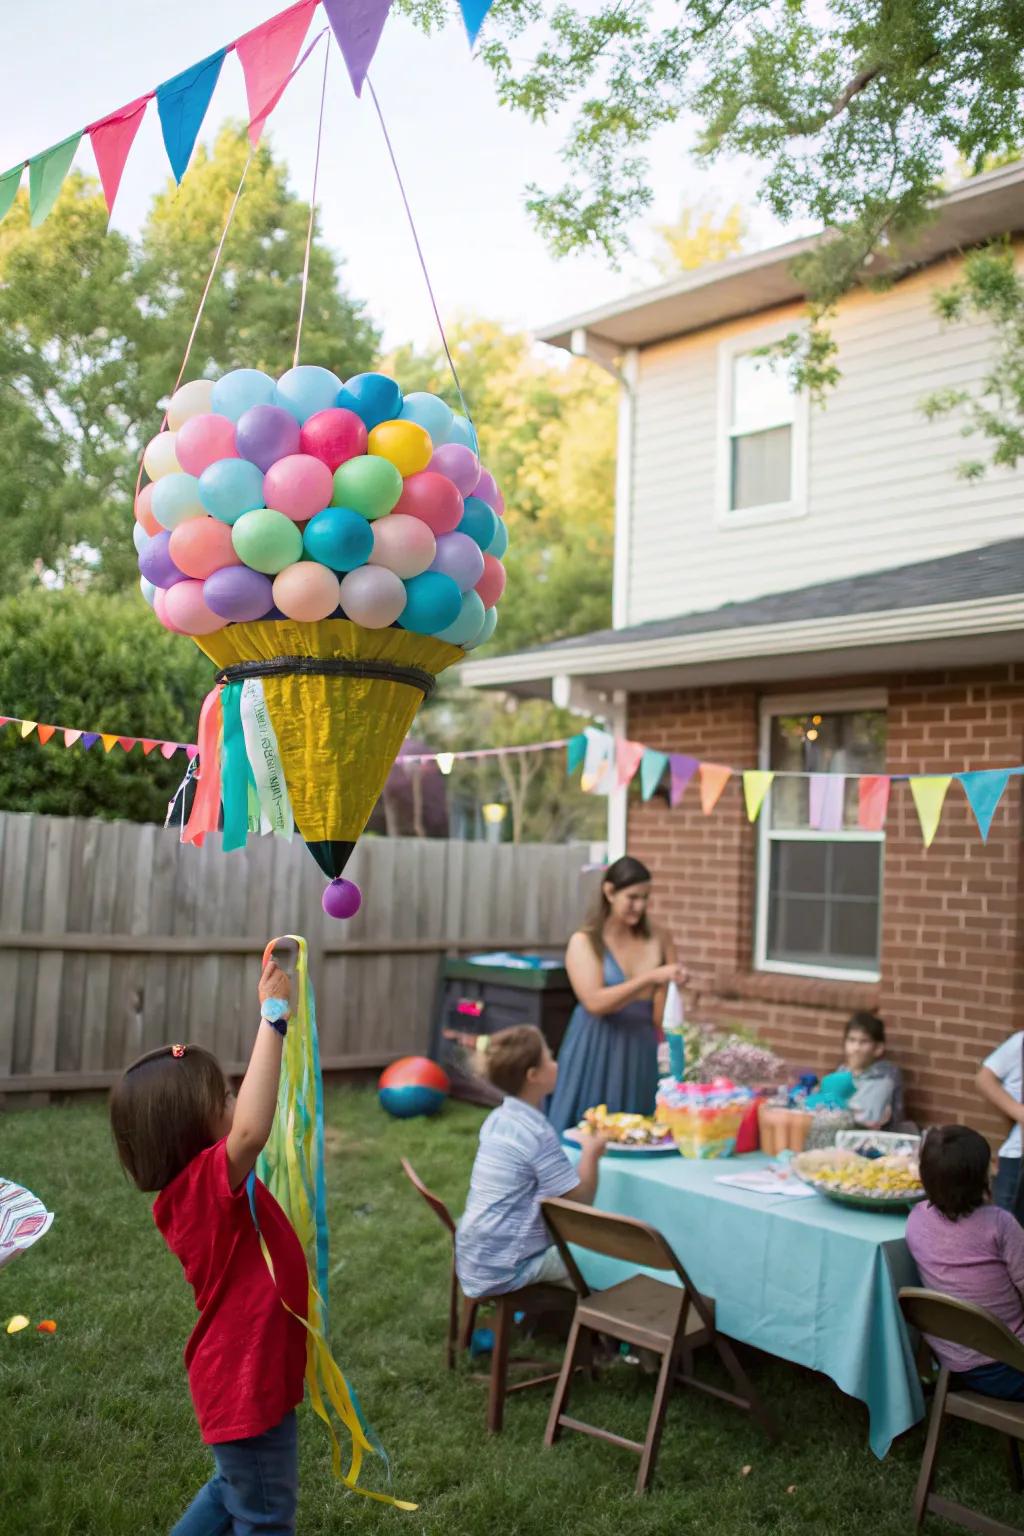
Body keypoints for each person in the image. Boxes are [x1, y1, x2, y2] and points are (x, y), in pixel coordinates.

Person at [110, 954, 307, 1536]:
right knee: (265, 1514)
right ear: (189, 1129)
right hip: (244, 1378)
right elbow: (252, 1128)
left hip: (249, 1371)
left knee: (235, 1490)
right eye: (223, 1098)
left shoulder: (203, 1184)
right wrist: (273, 1016)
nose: (235, 1103)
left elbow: (244, 1122)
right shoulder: (199, 1190)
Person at [456, 1025, 606, 1299]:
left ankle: (538, 1320)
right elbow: (580, 1201)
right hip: (506, 1268)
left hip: (473, 1256)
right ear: (533, 1076)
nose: (556, 1063)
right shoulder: (537, 1132)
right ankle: (606, 1330)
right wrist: (591, 1153)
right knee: (597, 1264)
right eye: (549, 1058)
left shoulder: (497, 1119)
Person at [547, 855, 684, 1136]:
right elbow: (595, 1002)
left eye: (646, 897)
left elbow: (661, 1016)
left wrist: (678, 990)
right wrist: (650, 977)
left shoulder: (660, 937)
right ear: (609, 892)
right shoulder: (584, 941)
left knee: (636, 1131)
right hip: (594, 1047)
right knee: (585, 1133)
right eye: (632, 897)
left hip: (639, 1047)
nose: (641, 906)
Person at [906, 1125, 1024, 1400]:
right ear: (981, 1178)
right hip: (1012, 1365)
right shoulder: (999, 1224)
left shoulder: (916, 1220)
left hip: (954, 1360)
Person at [977, 1028, 1024, 1212]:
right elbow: (984, 1078)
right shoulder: (1021, 1043)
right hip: (1018, 1161)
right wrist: (1019, 1112)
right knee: (1008, 1233)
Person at [839, 1012, 906, 1129]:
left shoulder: (885, 1077)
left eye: (863, 1042)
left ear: (878, 1048)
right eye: (851, 1040)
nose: (856, 1048)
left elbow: (868, 1120)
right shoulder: (842, 1071)